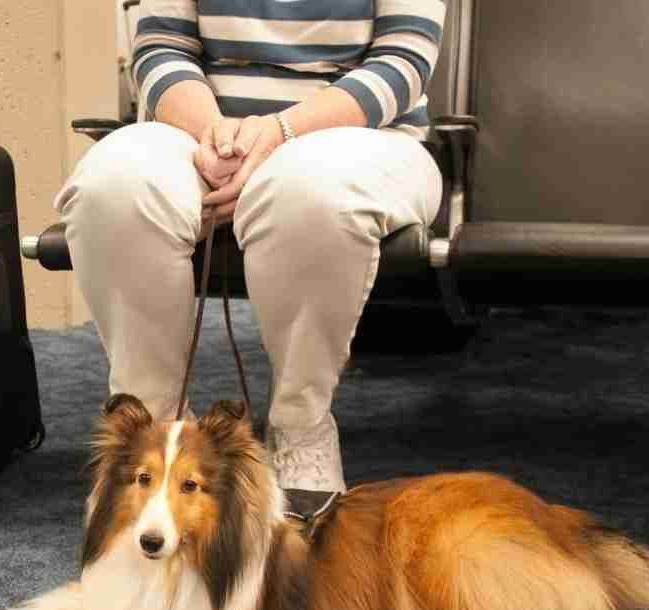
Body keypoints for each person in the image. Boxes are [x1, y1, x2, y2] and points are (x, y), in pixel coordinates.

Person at [54, 0, 445, 519]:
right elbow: (161, 45)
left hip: (363, 137)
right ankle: (152, 430)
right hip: (199, 129)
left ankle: (300, 426)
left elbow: (402, 63)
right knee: (113, 189)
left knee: (310, 194)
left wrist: (278, 134)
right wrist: (219, 136)